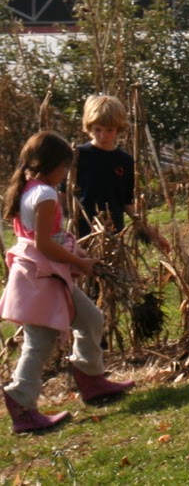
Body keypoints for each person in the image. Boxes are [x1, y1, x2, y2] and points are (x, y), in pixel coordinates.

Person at [3, 131, 135, 434]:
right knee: (41, 341)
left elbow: (47, 239)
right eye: (65, 167)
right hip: (41, 275)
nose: (66, 174)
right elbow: (45, 244)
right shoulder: (46, 195)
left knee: (89, 318)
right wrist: (80, 263)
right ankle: (20, 401)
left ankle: (91, 379)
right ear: (53, 165)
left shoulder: (29, 187)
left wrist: (76, 252)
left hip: (41, 272)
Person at [72, 95, 169, 251]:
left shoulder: (124, 161)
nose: (103, 136)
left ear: (118, 129)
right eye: (98, 130)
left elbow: (127, 203)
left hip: (114, 229)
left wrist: (153, 233)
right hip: (82, 229)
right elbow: (63, 195)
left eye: (109, 130)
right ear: (89, 127)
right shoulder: (78, 155)